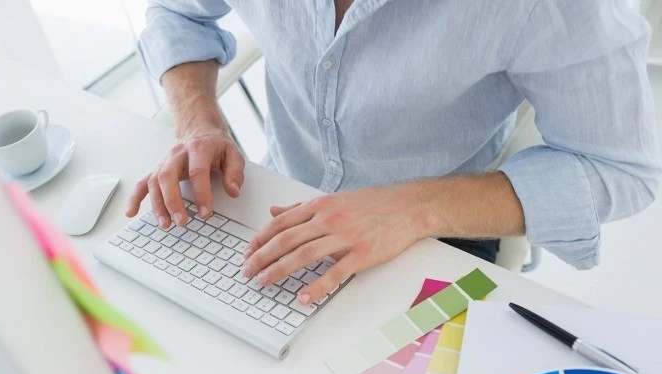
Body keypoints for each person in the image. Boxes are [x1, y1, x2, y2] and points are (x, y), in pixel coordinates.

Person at [129, 0, 660, 306]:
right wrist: (197, 119)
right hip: (280, 196)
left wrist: (412, 210)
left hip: (441, 232)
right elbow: (176, 12)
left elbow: (620, 170)